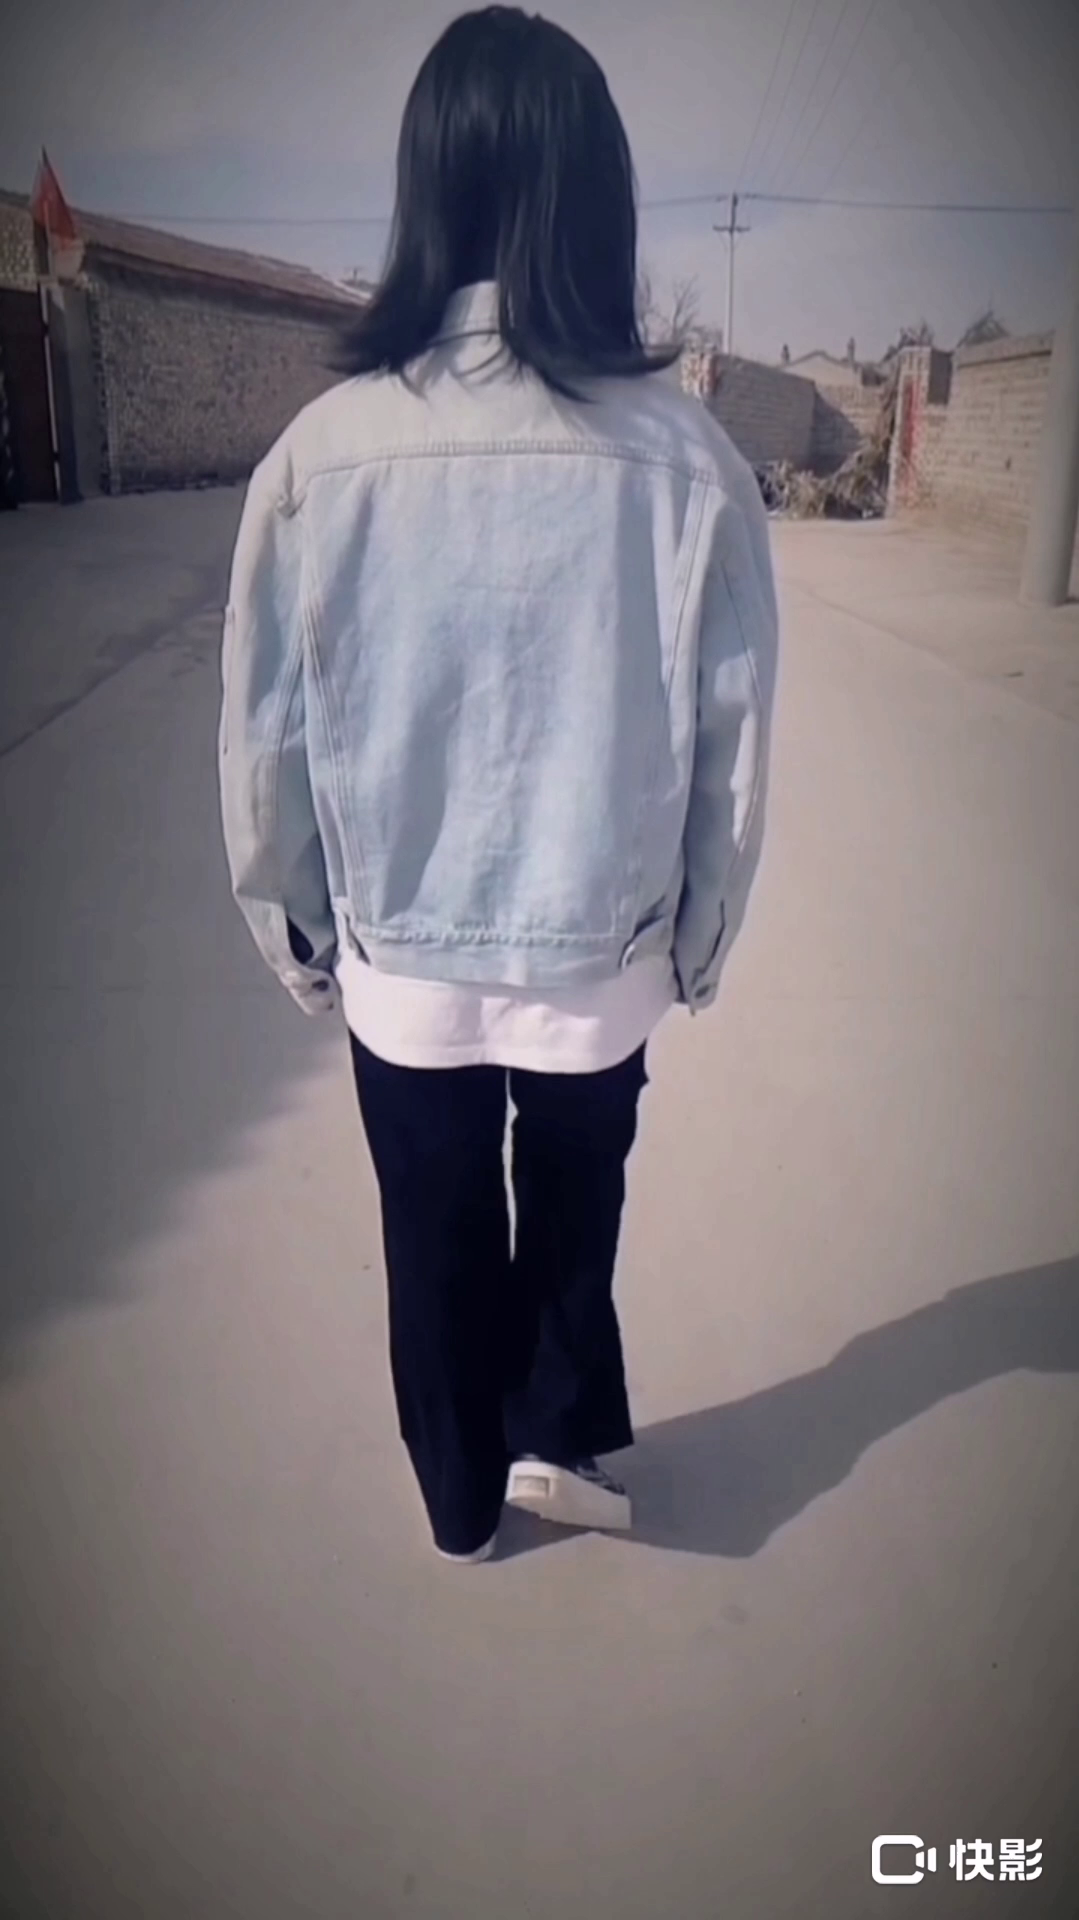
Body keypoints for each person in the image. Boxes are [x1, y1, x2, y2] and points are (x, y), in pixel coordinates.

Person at [219, 6, 778, 1565]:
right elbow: (732, 736)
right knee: (577, 1209)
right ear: (598, 200)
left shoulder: (317, 458)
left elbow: (265, 735)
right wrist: (700, 938)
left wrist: (297, 929)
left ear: (428, 192)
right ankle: (559, 1430)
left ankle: (464, 1502)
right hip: (603, 956)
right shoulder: (691, 460)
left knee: (433, 1232)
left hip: (404, 956)